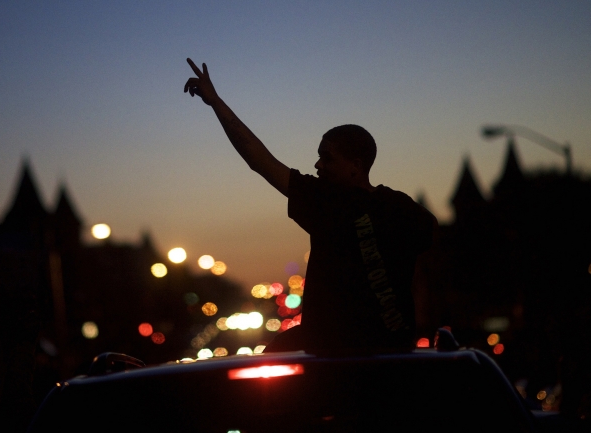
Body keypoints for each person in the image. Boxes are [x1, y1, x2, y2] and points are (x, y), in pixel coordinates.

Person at [184, 58, 436, 355]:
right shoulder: (402, 208)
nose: (317, 165)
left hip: (336, 359)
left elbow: (259, 160)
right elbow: (430, 268)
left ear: (356, 166)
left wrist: (216, 102)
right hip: (392, 355)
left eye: (327, 157)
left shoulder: (329, 200)